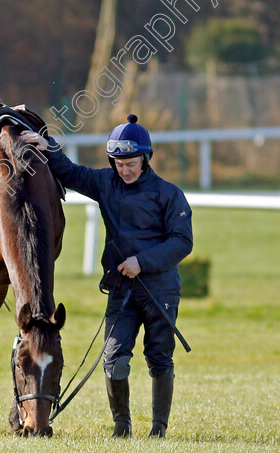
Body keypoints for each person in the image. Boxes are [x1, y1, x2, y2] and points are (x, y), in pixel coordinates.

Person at [22, 114, 192, 438]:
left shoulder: (170, 195)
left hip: (161, 289)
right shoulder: (105, 183)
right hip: (121, 290)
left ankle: (159, 429)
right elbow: (70, 173)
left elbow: (182, 241)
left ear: (145, 158)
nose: (124, 170)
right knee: (113, 359)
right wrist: (49, 147)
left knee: (159, 358)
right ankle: (122, 425)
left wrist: (142, 261)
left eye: (130, 163)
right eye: (118, 163)